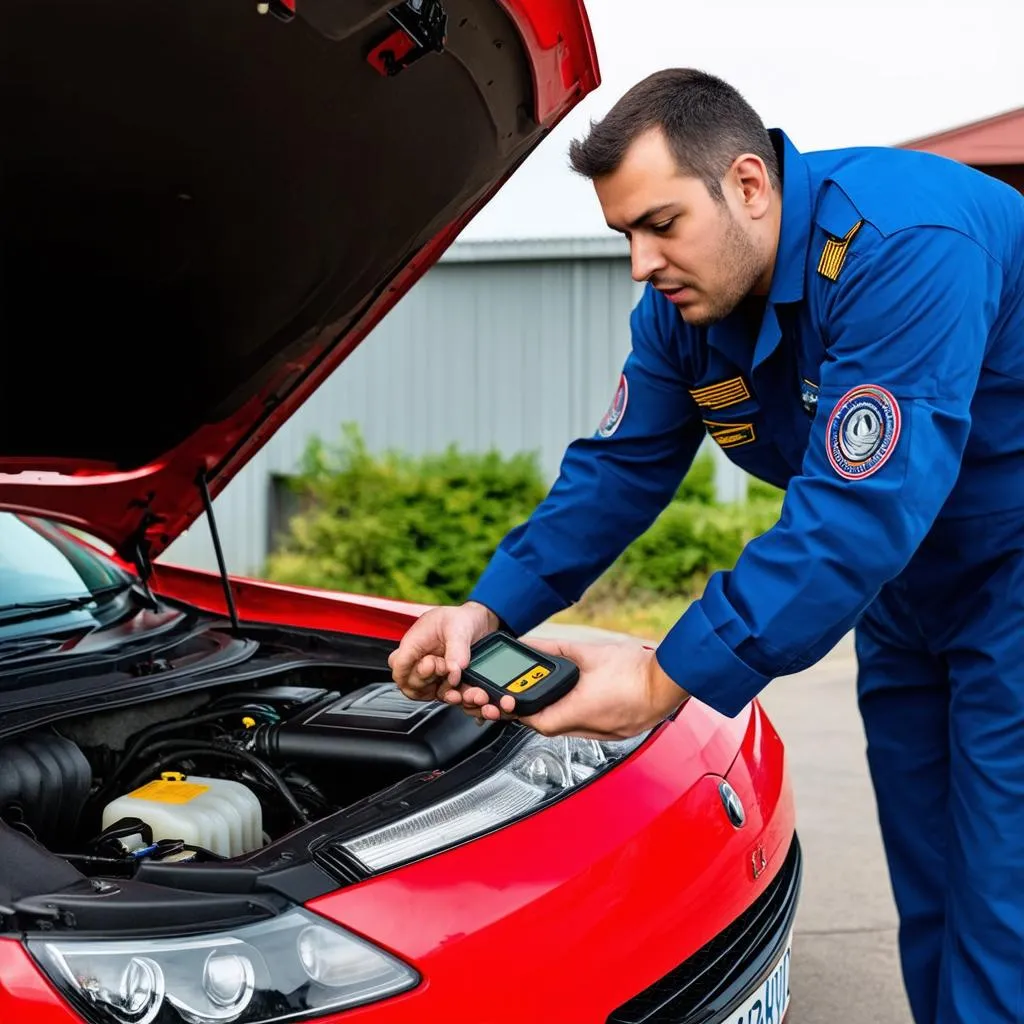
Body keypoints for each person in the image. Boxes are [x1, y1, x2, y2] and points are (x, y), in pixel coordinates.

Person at [388, 68, 1024, 1023]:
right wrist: (488, 612)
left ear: (750, 187)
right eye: (625, 235)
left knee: (1003, 882)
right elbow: (616, 470)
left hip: (1011, 570)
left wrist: (661, 679)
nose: (641, 263)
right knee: (932, 872)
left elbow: (854, 511)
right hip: (904, 590)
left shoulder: (904, 246)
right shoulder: (684, 312)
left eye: (662, 223)